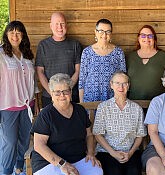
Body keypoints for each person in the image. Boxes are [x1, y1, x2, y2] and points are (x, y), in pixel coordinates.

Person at [30, 73, 103, 175]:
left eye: (65, 91)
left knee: (97, 171)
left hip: (78, 158)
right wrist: (62, 164)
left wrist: (90, 153)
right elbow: (39, 145)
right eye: (57, 92)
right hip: (50, 162)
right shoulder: (46, 115)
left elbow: (89, 135)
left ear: (71, 92)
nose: (62, 95)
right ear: (51, 94)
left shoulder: (80, 110)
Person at [0, 21, 39, 175]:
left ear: (23, 35)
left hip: (27, 106)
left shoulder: (28, 55)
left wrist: (36, 101)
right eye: (11, 32)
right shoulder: (1, 54)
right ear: (6, 34)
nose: (15, 36)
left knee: (24, 141)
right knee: (9, 143)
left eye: (18, 32)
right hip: (7, 106)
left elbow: (34, 81)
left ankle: (19, 167)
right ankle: (6, 171)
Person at [93, 71, 147, 175]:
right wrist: (113, 153)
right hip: (107, 152)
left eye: (124, 83)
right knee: (114, 172)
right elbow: (98, 134)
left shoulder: (136, 108)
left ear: (128, 85)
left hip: (130, 151)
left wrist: (130, 153)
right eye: (117, 83)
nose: (121, 87)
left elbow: (140, 135)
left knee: (134, 172)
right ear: (111, 85)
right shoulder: (104, 107)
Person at [36, 12, 83, 108]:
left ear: (66, 25)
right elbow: (40, 71)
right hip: (49, 96)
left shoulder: (75, 45)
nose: (60, 27)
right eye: (56, 24)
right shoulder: (43, 45)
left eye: (62, 24)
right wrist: (52, 92)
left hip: (71, 95)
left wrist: (67, 90)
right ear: (51, 26)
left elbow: (78, 70)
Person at [79, 19, 126, 103]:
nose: (104, 35)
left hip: (111, 99)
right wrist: (82, 104)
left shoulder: (118, 52)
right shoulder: (87, 52)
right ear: (95, 32)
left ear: (111, 34)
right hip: (90, 99)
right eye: (101, 31)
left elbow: (123, 79)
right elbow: (82, 80)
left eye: (108, 32)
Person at [126, 25, 165, 100]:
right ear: (138, 38)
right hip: (134, 104)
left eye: (150, 36)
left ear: (154, 39)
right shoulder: (130, 57)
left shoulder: (162, 56)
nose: (146, 38)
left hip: (157, 105)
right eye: (143, 35)